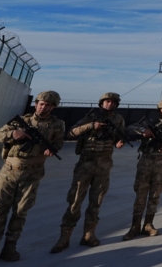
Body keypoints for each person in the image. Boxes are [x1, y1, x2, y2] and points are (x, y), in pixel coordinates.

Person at [0, 91, 65, 267]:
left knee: (20, 212)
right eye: (41, 103)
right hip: (9, 171)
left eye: (48, 105)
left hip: (33, 173)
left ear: (53, 107)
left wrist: (51, 150)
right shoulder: (21, 121)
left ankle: (10, 247)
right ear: (36, 104)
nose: (43, 107)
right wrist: (13, 134)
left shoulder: (58, 124)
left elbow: (58, 143)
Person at [50, 92, 126, 253]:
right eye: (107, 101)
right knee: (75, 200)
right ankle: (64, 237)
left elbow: (120, 136)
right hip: (85, 163)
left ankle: (89, 234)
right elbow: (71, 133)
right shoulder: (90, 117)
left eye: (113, 102)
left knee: (96, 201)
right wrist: (92, 126)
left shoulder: (118, 119)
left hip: (104, 164)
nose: (110, 104)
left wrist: (120, 142)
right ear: (101, 103)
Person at [121, 98, 162, 241]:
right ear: (159, 110)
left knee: (155, 193)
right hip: (146, 161)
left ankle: (148, 224)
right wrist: (143, 131)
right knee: (141, 192)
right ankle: (135, 226)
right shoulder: (148, 122)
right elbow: (129, 128)